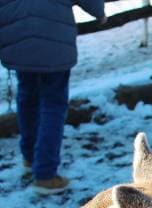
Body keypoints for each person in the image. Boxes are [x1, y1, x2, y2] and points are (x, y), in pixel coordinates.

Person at [0, 1, 107, 194]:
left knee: (27, 97)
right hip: (54, 41)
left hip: (19, 39)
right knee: (53, 104)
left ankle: (30, 157)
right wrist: (99, 13)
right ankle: (46, 174)